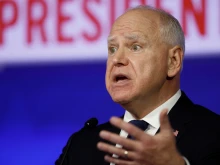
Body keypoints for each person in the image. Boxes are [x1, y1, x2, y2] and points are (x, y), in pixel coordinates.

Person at [55, 5, 220, 165]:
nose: (117, 59)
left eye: (135, 47)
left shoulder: (213, 134)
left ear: (173, 61)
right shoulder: (82, 144)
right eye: (112, 49)